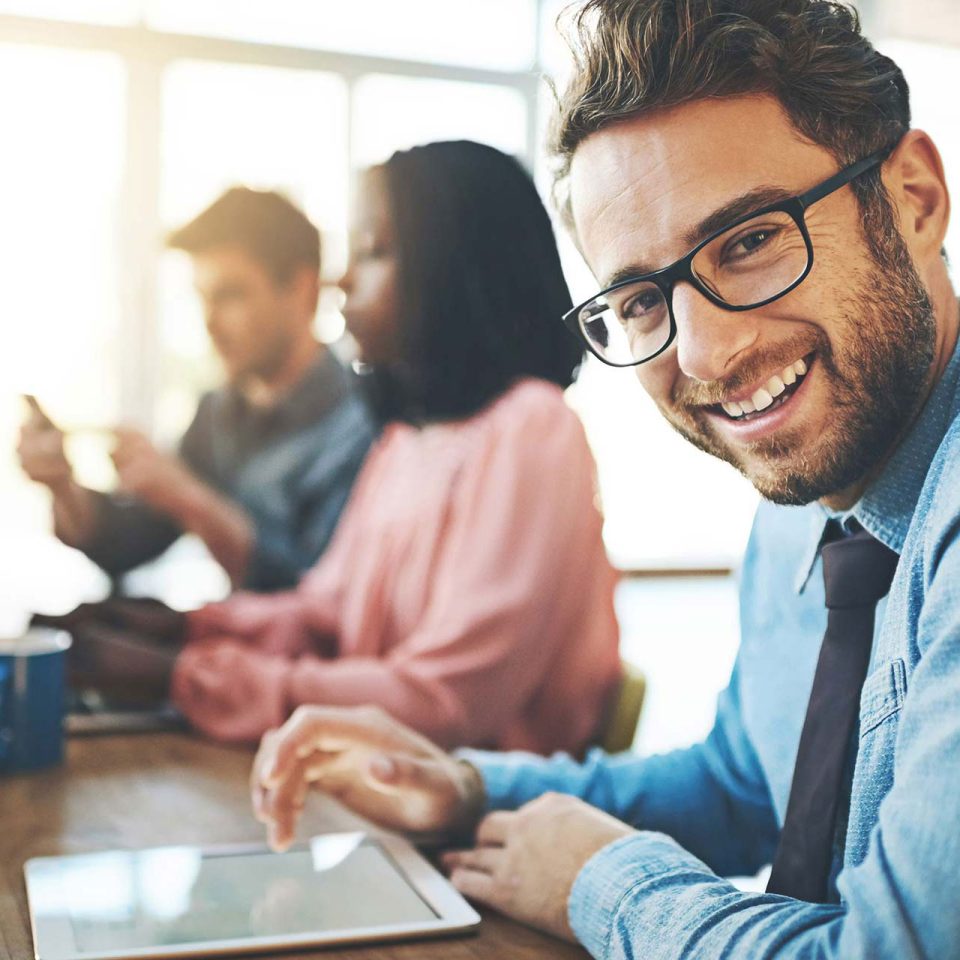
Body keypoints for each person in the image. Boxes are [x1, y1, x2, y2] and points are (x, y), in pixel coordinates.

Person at [249, 2, 960, 958]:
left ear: (913, 197)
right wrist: (468, 788)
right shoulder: (806, 497)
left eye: (751, 239)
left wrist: (602, 881)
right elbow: (743, 784)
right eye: (640, 297)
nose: (706, 353)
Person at [163, 141, 622, 753]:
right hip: (376, 788)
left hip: (479, 822)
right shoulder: (406, 438)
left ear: (457, 272)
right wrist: (186, 630)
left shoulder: (532, 428)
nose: (343, 280)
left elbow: (448, 702)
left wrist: (186, 676)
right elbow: (322, 613)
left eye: (374, 252)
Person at [17, 188, 375, 591]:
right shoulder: (218, 413)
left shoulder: (363, 424)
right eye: (202, 299)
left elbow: (314, 594)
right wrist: (62, 486)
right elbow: (126, 543)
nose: (209, 321)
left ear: (302, 291)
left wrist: (185, 494)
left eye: (230, 295)